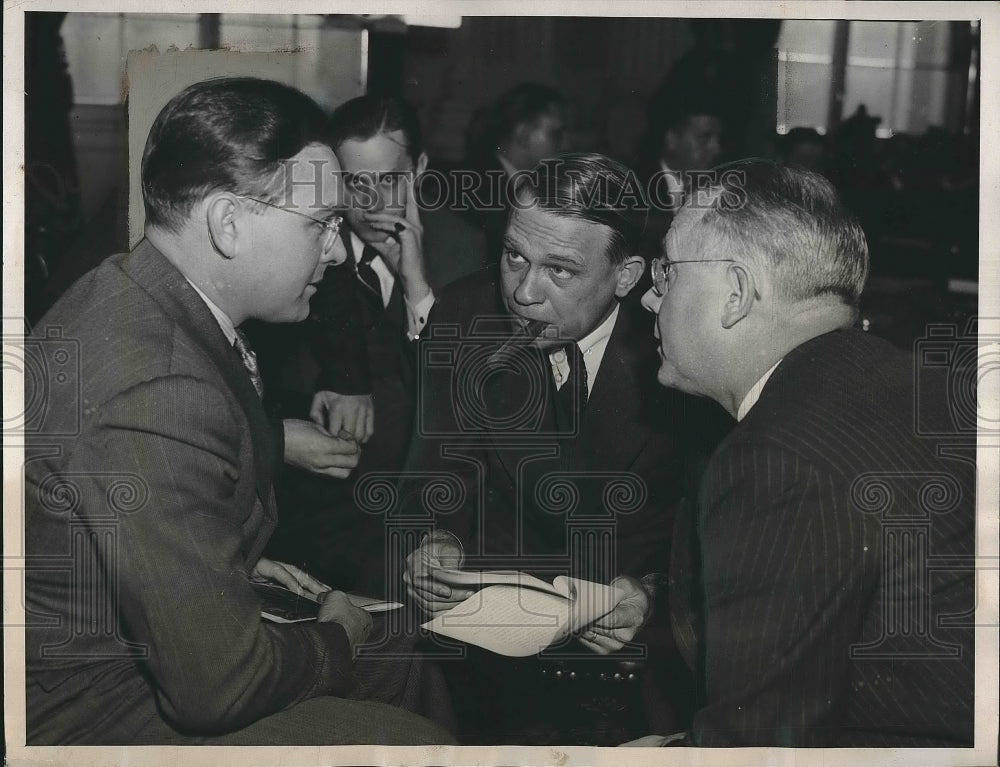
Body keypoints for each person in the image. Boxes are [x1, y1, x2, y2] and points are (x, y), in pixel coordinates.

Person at [23, 77, 454, 746]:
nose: (338, 248)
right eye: (321, 223)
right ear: (228, 225)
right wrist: (335, 635)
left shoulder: (130, 287)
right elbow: (216, 687)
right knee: (423, 743)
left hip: (114, 648)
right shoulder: (157, 386)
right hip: (90, 707)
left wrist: (227, 564)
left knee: (399, 650)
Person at [634, 159, 974, 746]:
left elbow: (759, 747)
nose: (648, 299)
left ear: (735, 293)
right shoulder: (930, 388)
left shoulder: (776, 456)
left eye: (667, 272)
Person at [398, 153, 728, 742]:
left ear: (627, 277)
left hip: (632, 635)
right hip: (489, 630)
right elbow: (442, 467)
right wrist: (436, 539)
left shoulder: (687, 346)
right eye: (514, 256)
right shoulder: (464, 314)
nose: (524, 291)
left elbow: (712, 520)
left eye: (561, 271)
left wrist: (649, 596)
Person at [461, 83, 568, 258]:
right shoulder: (478, 188)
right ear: (523, 134)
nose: (565, 145)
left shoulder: (528, 184)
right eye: (556, 134)